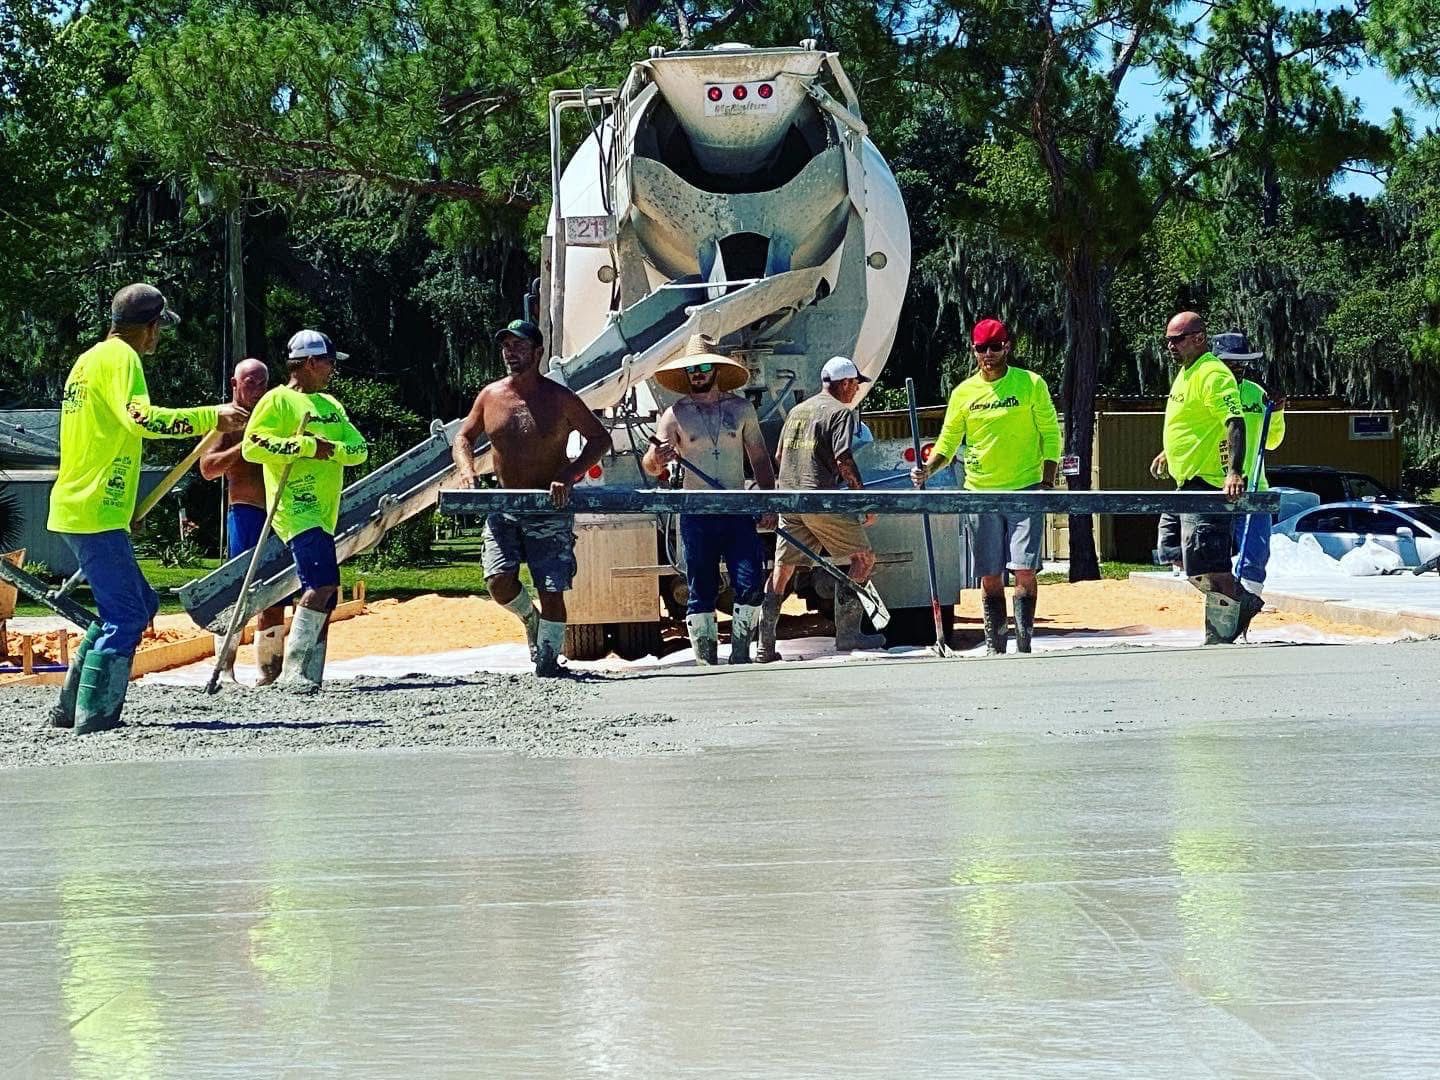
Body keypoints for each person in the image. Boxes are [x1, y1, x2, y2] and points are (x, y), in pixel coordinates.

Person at [47, 283, 249, 734]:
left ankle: (68, 710)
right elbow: (140, 418)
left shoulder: (88, 360)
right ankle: (94, 718)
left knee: (140, 601)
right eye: (159, 329)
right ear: (151, 327)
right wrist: (210, 416)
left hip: (89, 503)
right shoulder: (123, 360)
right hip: (94, 507)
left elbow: (104, 434)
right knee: (126, 616)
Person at [452, 319, 609, 676]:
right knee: (498, 580)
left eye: (519, 346)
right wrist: (467, 471)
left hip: (549, 507)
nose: (511, 353)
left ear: (538, 352)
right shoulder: (491, 396)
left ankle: (549, 663)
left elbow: (600, 439)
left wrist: (569, 474)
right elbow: (463, 438)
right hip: (505, 506)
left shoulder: (560, 398)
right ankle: (529, 617)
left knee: (551, 588)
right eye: (507, 346)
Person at [911, 318, 1060, 654]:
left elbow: (1050, 434)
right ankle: (995, 645)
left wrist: (1047, 480)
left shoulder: (1031, 384)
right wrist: (927, 470)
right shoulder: (964, 392)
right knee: (990, 575)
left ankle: (1024, 644)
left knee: (1023, 569)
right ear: (974, 351)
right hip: (979, 492)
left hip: (1025, 489)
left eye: (995, 346)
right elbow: (948, 443)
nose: (989, 354)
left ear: (1007, 346)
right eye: (982, 348)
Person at [241, 330, 368, 691]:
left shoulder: (331, 405)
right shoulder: (277, 401)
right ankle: (293, 670)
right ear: (310, 362)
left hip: (326, 512)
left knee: (329, 589)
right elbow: (253, 447)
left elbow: (358, 449)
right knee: (322, 583)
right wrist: (303, 446)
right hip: (296, 507)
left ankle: (310, 672)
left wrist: (331, 449)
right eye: (328, 362)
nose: (331, 369)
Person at [642, 335, 777, 664]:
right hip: (696, 513)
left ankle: (741, 652)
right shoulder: (675, 415)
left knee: (749, 582)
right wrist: (658, 457)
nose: (697, 374)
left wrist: (769, 503)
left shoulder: (740, 408)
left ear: (715, 369)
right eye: (691, 369)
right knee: (701, 586)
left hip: (736, 510)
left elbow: (759, 459)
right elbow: (650, 464)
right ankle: (706, 660)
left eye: (703, 367)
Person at [757, 356, 887, 662]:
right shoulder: (841, 413)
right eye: (855, 384)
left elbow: (778, 455)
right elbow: (843, 459)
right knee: (864, 558)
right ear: (844, 384)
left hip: (789, 501)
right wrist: (862, 501)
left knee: (782, 570)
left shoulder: (797, 411)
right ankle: (848, 634)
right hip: (819, 500)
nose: (856, 390)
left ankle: (765, 645)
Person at [1149, 312, 1251, 643]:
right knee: (1170, 551)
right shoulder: (1185, 374)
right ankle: (1238, 604)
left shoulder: (1213, 374)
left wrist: (1233, 471)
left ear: (1198, 338)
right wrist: (1169, 452)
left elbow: (1234, 422)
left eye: (1176, 339)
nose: (1170, 346)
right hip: (1183, 482)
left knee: (1211, 564)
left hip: (1206, 483)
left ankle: (1224, 628)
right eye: (1167, 339)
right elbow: (1193, 423)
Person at [200, 358, 288, 684]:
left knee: (277, 592)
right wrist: (245, 446)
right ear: (234, 384)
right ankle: (224, 670)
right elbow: (208, 468)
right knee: (238, 592)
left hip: (280, 514)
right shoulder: (227, 421)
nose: (256, 389)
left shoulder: (277, 416)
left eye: (262, 383)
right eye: (249, 382)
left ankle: (270, 672)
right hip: (246, 511)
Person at [1215, 330, 1286, 628]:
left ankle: (1246, 611)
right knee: (1212, 556)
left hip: (1255, 486)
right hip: (1215, 485)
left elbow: (1272, 442)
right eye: (1231, 362)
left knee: (1256, 555)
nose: (1237, 368)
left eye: (1242, 363)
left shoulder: (1257, 394)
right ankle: (1219, 608)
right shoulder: (1210, 390)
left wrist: (1278, 413)